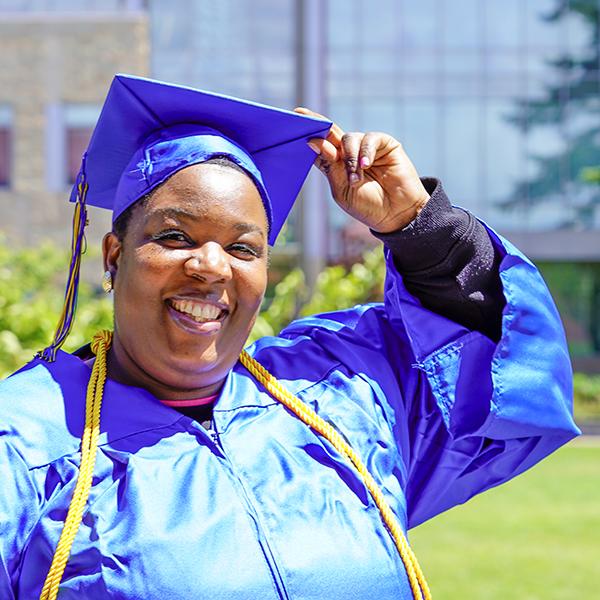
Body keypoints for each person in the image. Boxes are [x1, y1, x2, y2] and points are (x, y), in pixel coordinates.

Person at [0, 74, 579, 600]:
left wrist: (418, 226)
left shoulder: (338, 396)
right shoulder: (25, 439)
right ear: (114, 255)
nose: (211, 266)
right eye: (175, 236)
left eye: (243, 248)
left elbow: (506, 385)